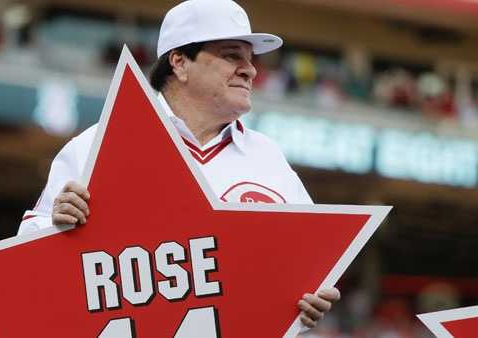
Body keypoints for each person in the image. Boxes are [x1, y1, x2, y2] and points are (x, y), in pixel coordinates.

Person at [19, 0, 340, 330]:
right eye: (232, 55)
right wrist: (58, 227)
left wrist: (312, 301)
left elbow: (313, 267)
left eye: (250, 58)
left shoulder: (268, 157)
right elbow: (25, 260)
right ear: (180, 62)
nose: (250, 69)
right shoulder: (96, 145)